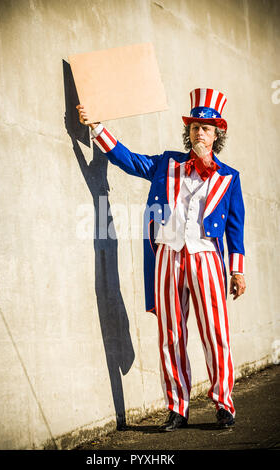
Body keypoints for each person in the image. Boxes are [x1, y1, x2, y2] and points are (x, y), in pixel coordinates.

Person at [76, 88, 246, 430]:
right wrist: (97, 128)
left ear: (217, 135)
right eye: (196, 126)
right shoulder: (167, 163)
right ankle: (177, 407)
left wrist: (238, 271)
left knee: (216, 333)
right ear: (189, 131)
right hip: (167, 256)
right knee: (171, 334)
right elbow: (130, 159)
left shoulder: (229, 177)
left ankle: (223, 404)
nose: (200, 132)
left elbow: (235, 228)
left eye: (207, 128)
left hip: (207, 258)